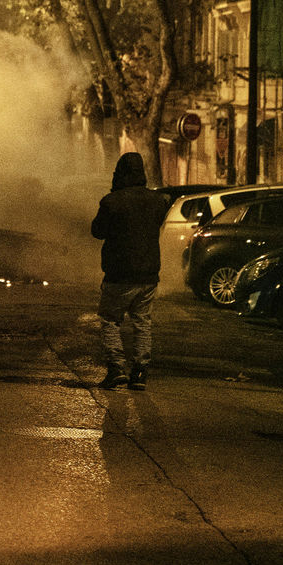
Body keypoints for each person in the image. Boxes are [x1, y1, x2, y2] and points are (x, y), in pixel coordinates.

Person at [90, 152, 170, 390]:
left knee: (110, 320)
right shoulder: (158, 201)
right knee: (142, 321)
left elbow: (97, 231)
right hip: (148, 272)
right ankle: (140, 371)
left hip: (120, 272)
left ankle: (116, 368)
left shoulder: (112, 201)